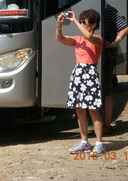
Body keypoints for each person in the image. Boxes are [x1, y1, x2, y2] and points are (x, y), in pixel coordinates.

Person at [56, 9, 105, 156]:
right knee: (79, 110)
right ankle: (84, 142)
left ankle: (99, 143)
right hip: (78, 73)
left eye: (85, 22)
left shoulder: (98, 39)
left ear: (94, 24)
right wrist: (59, 25)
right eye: (82, 21)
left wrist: (75, 20)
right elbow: (60, 39)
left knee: (93, 110)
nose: (83, 24)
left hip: (89, 73)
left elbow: (88, 36)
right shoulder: (78, 39)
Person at [103, 3, 128, 132]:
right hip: (93, 56)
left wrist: (114, 43)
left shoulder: (108, 9)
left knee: (105, 90)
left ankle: (106, 124)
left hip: (106, 56)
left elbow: (124, 28)